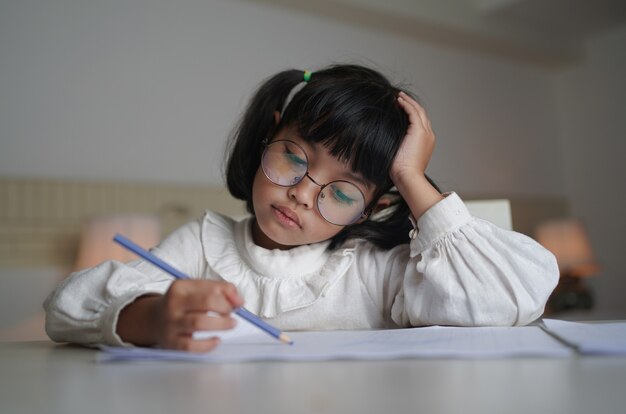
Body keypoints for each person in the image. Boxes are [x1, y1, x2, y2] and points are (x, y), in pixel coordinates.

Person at [44, 64, 559, 352]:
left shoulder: (374, 272)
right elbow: (66, 306)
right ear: (268, 134)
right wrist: (150, 319)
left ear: (368, 209)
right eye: (294, 158)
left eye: (341, 191)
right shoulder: (203, 245)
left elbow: (514, 296)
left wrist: (412, 178)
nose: (302, 194)